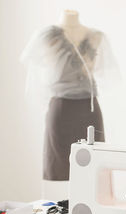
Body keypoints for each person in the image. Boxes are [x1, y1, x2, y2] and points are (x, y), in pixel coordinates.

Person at [21, 10, 119, 185]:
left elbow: (107, 73)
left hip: (89, 109)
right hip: (61, 108)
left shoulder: (96, 37)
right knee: (59, 165)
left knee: (95, 165)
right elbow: (34, 76)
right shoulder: (47, 36)